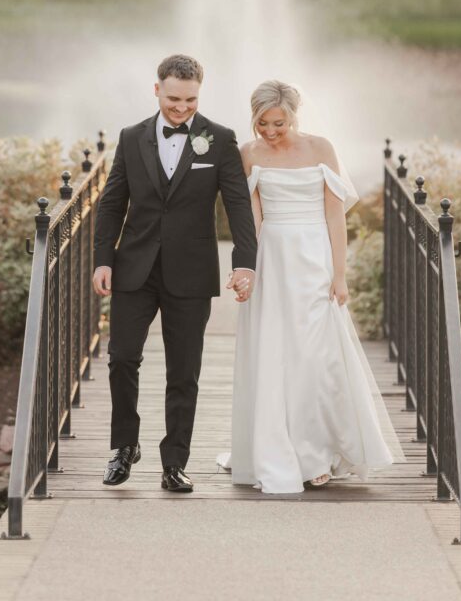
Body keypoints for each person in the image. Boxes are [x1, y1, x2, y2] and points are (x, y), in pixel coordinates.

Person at [218, 79, 394, 493]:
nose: (270, 131)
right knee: (276, 354)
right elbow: (253, 218)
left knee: (315, 356)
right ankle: (286, 452)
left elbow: (335, 216)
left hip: (314, 259)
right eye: (262, 123)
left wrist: (339, 274)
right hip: (273, 259)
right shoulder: (248, 154)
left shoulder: (321, 149)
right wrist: (248, 270)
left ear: (294, 116)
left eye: (278, 122)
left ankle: (317, 451)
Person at [93, 54, 258, 493]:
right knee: (122, 358)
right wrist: (102, 259)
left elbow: (238, 204)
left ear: (199, 94)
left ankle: (174, 462)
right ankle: (124, 446)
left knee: (184, 371)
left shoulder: (219, 140)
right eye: (173, 99)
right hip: (134, 267)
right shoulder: (131, 138)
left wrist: (245, 261)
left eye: (190, 100)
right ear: (156, 91)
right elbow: (111, 202)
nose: (181, 108)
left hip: (191, 271)